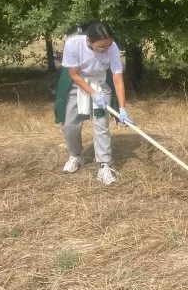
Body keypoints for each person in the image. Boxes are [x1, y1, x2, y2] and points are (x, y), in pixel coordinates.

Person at [53, 22, 134, 185]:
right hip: (77, 85)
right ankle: (76, 156)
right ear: (89, 40)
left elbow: (117, 79)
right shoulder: (73, 44)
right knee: (70, 124)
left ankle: (104, 165)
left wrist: (123, 108)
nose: (106, 48)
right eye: (101, 46)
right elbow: (74, 74)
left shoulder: (112, 47)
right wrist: (92, 93)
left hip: (101, 84)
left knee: (101, 125)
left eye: (109, 44)